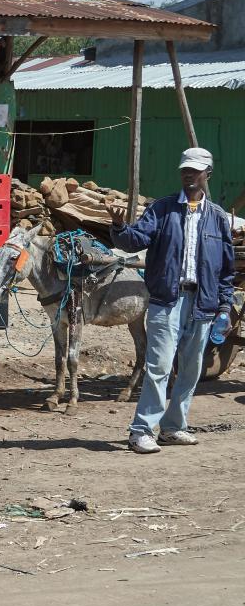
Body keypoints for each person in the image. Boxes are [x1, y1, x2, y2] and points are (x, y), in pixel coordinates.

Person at [108, 147, 235, 454]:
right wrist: (119, 228)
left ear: (208, 174)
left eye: (194, 170)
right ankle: (141, 431)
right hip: (168, 301)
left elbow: (226, 270)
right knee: (160, 366)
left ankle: (173, 427)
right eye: (184, 170)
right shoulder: (162, 210)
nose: (188, 175)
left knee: (191, 370)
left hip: (202, 304)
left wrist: (223, 307)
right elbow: (135, 240)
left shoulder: (217, 218)